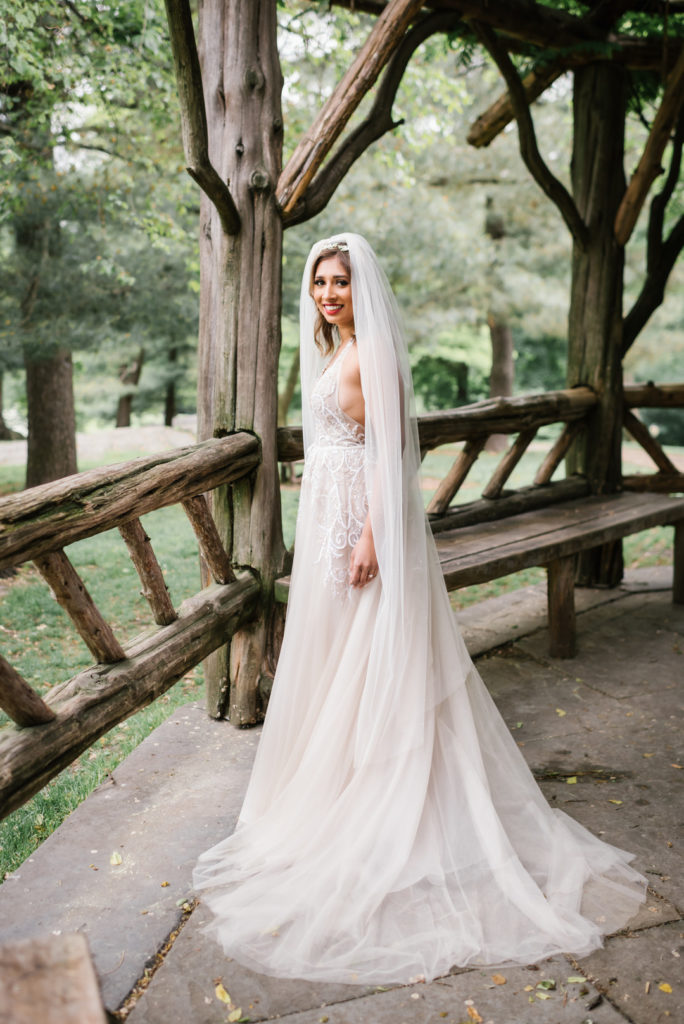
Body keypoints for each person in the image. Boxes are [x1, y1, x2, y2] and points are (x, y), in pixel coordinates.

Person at [193, 233, 646, 985]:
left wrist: (370, 538)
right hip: (331, 519)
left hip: (359, 530)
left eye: (338, 282)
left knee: (373, 659)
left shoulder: (370, 354)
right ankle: (340, 789)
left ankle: (389, 801)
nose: (327, 294)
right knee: (340, 661)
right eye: (318, 283)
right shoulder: (338, 351)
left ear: (359, 286)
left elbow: (390, 457)